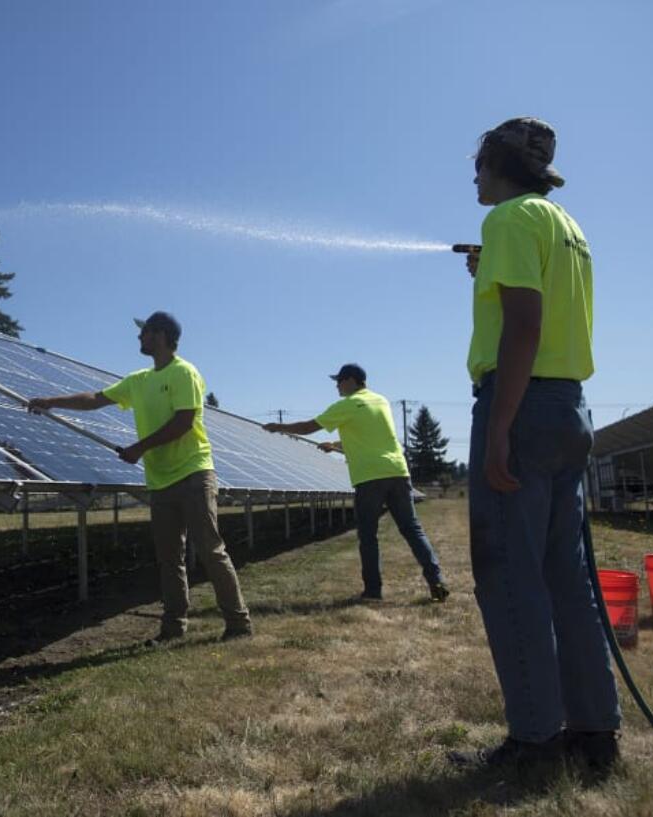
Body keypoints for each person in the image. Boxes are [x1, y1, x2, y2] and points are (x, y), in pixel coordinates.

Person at [450, 117, 621, 772]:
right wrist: (488, 270)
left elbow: (523, 326)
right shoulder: (564, 226)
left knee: (509, 574)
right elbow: (535, 302)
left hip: (519, 404)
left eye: (480, 163)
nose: (474, 176)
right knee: (566, 577)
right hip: (568, 406)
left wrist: (498, 430)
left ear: (500, 166)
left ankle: (533, 743)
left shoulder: (509, 221)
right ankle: (593, 733)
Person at [27, 311, 252, 644]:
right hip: (160, 481)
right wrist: (52, 402)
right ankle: (173, 628)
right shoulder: (138, 380)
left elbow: (184, 422)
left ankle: (238, 623)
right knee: (169, 558)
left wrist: (139, 448)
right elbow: (96, 399)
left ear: (159, 334)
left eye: (143, 332)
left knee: (210, 549)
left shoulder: (183, 372)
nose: (138, 338)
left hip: (193, 473)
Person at [264, 364, 449, 602]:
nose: (337, 386)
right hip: (397, 471)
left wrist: (279, 427)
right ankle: (436, 580)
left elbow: (309, 426)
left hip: (370, 477)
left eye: (339, 381)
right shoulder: (380, 400)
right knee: (412, 529)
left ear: (351, 380)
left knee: (368, 535)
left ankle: (373, 591)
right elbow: (370, 437)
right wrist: (335, 445)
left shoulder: (347, 404)